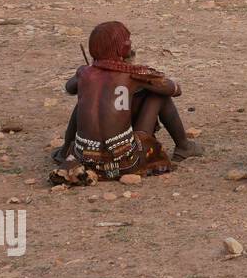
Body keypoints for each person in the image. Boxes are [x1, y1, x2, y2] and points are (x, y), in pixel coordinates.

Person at [51, 21, 202, 186]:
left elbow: (69, 88)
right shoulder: (132, 74)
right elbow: (174, 89)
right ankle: (184, 146)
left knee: (85, 100)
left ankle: (65, 149)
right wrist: (146, 81)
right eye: (128, 40)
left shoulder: (84, 72)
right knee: (158, 97)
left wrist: (91, 72)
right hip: (125, 160)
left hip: (84, 159)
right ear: (122, 48)